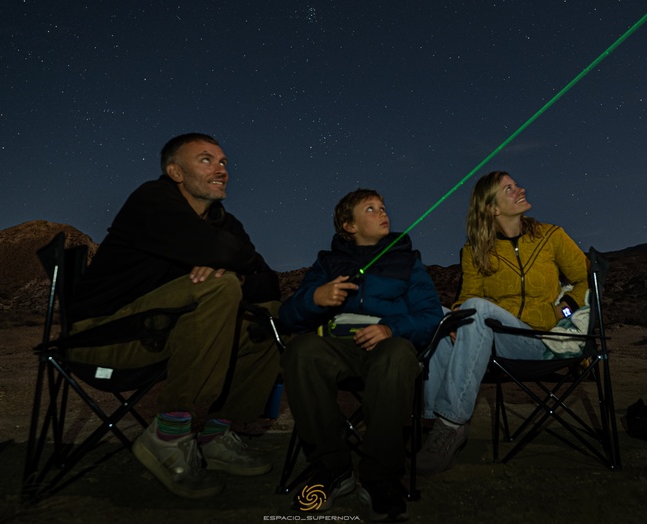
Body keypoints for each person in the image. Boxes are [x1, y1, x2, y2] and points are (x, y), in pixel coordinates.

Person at [65, 133, 282, 499]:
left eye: (224, 162)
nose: (221, 169)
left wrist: (236, 268)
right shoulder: (151, 201)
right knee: (221, 286)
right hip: (104, 339)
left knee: (272, 316)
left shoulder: (226, 223)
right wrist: (228, 263)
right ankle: (170, 434)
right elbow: (218, 250)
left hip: (165, 334)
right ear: (175, 172)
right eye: (206, 160)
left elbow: (269, 282)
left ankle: (216, 434)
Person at [279, 189, 443, 522]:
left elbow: (430, 315)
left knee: (397, 354)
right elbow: (289, 317)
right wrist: (315, 298)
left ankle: (380, 475)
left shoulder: (407, 260)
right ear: (349, 225)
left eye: (383, 207)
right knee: (301, 350)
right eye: (371, 209)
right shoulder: (328, 262)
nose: (383, 213)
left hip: (386, 343)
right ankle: (332, 467)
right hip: (337, 345)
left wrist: (392, 329)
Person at [416, 170, 589, 475]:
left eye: (516, 184)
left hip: (542, 341)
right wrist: (455, 318)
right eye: (509, 188)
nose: (521, 189)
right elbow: (467, 295)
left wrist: (565, 309)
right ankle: (433, 422)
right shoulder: (474, 251)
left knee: (473, 310)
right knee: (442, 316)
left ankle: (450, 425)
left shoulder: (551, 236)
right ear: (492, 208)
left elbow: (587, 279)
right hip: (498, 340)